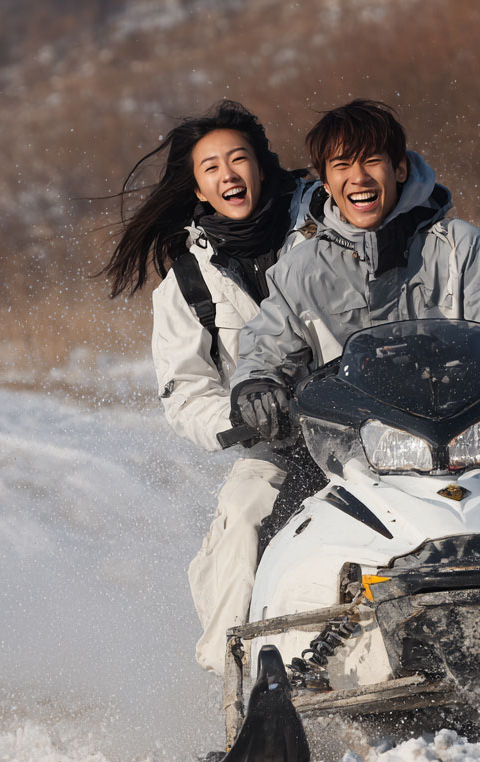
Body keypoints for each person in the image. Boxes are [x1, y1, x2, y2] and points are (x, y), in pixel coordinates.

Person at [229, 99, 480, 536]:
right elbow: (266, 345)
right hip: (349, 454)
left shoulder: (460, 247)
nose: (359, 177)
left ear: (400, 169)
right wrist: (257, 386)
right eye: (342, 165)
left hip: (472, 437)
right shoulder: (299, 271)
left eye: (372, 161)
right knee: (275, 535)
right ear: (326, 183)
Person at [99, 100, 320, 674]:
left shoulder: (327, 223)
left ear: (262, 165)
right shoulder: (186, 284)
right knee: (244, 515)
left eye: (238, 159)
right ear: (197, 188)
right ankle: (238, 687)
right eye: (211, 167)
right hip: (280, 444)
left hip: (376, 423)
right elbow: (184, 391)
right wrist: (241, 415)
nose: (228, 175)